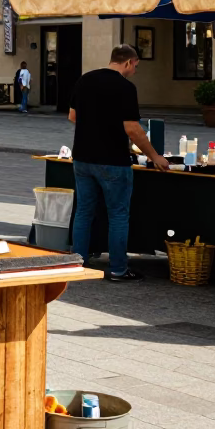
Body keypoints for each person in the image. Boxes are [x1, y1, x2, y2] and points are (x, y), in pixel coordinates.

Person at [68, 45, 168, 282]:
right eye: (135, 66)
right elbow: (132, 129)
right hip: (112, 159)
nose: (134, 71)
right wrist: (155, 156)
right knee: (118, 215)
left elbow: (73, 116)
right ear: (128, 63)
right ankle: (118, 269)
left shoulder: (85, 80)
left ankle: (78, 263)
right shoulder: (125, 87)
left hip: (82, 157)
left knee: (83, 212)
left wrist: (94, 127)